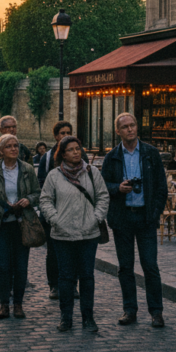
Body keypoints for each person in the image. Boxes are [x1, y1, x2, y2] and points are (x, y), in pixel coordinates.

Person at [102, 112, 167, 328]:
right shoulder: (112, 156)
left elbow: (161, 187)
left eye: (133, 125)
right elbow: (102, 187)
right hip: (123, 218)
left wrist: (155, 212)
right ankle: (129, 310)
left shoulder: (150, 153)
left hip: (145, 217)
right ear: (118, 131)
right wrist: (117, 188)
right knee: (125, 267)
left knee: (150, 265)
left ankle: (156, 312)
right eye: (125, 126)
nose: (130, 129)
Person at [39, 136, 109, 332]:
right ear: (62, 154)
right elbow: (45, 200)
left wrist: (96, 218)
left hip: (89, 233)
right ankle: (66, 317)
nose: (76, 152)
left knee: (87, 276)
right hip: (62, 234)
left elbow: (103, 196)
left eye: (78, 148)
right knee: (66, 277)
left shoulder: (92, 172)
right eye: (70, 149)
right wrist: (55, 219)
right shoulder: (54, 176)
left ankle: (88, 318)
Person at [0, 133, 40, 320]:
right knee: (3, 265)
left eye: (16, 145)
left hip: (23, 223)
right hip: (2, 224)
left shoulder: (28, 170)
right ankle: (4, 304)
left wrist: (27, 200)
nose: (14, 149)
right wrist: (1, 209)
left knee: (21, 266)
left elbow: (37, 193)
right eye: (9, 146)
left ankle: (18, 304)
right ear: (1, 151)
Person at [37, 120, 74, 299]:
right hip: (53, 212)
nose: (65, 136)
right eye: (62, 133)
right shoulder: (48, 156)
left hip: (74, 212)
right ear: (56, 136)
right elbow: (41, 185)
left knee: (74, 250)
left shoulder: (78, 153)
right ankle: (54, 285)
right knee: (53, 251)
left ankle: (72, 284)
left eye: (68, 133)